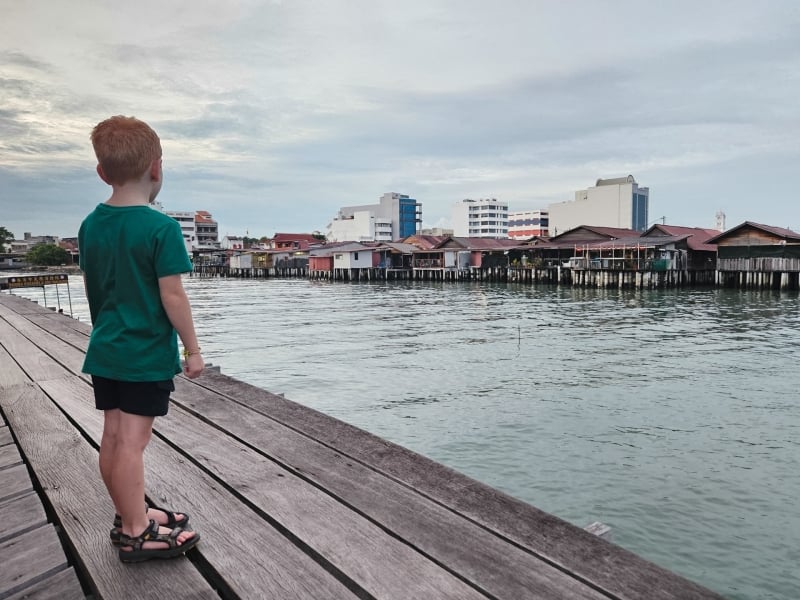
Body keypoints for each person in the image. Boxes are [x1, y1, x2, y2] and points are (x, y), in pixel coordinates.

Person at [79, 115, 203, 563]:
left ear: (102, 172)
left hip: (106, 347)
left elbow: (97, 286)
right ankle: (136, 530)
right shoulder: (161, 229)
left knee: (112, 438)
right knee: (132, 443)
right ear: (156, 168)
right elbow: (172, 295)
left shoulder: (91, 224)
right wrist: (192, 348)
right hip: (144, 352)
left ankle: (128, 511)